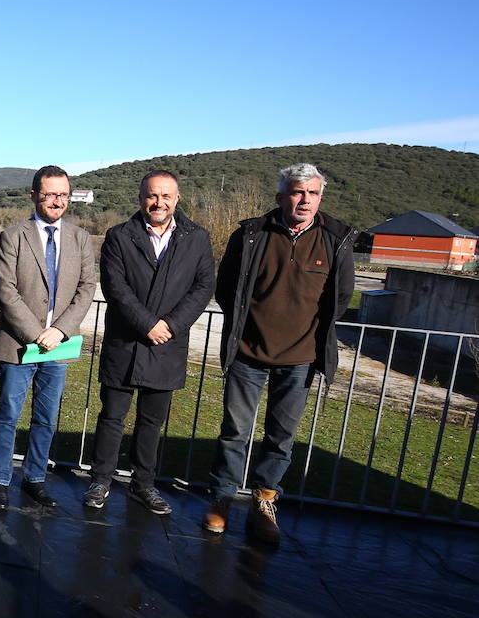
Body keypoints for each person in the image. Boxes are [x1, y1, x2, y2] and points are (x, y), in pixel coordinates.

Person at [205, 163, 356, 544]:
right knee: (234, 431)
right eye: (297, 192)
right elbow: (227, 289)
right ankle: (222, 499)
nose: (305, 200)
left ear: (321, 198)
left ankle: (264, 502)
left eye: (313, 193)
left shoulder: (335, 239)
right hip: (247, 353)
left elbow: (339, 300)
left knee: (281, 436)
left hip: (300, 357)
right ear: (281, 196)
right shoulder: (252, 234)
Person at [84, 171, 214, 513]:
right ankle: (100, 481)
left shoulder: (197, 238)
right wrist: (147, 325)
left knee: (152, 422)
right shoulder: (118, 236)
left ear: (177, 199)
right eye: (152, 196)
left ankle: (144, 484)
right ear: (141, 197)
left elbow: (203, 288)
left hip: (167, 345)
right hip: (125, 343)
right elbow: (115, 287)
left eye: (166, 196)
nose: (159, 203)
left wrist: (169, 326)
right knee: (112, 417)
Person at [0, 166, 97, 510]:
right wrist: (37, 335)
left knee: (46, 418)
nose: (56, 201)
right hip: (19, 344)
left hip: (59, 346)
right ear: (34, 195)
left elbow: (86, 287)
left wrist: (60, 331)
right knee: (8, 414)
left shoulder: (80, 239)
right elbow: (5, 289)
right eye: (50, 194)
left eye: (62, 194)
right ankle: (0, 479)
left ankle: (35, 479)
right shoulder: (13, 236)